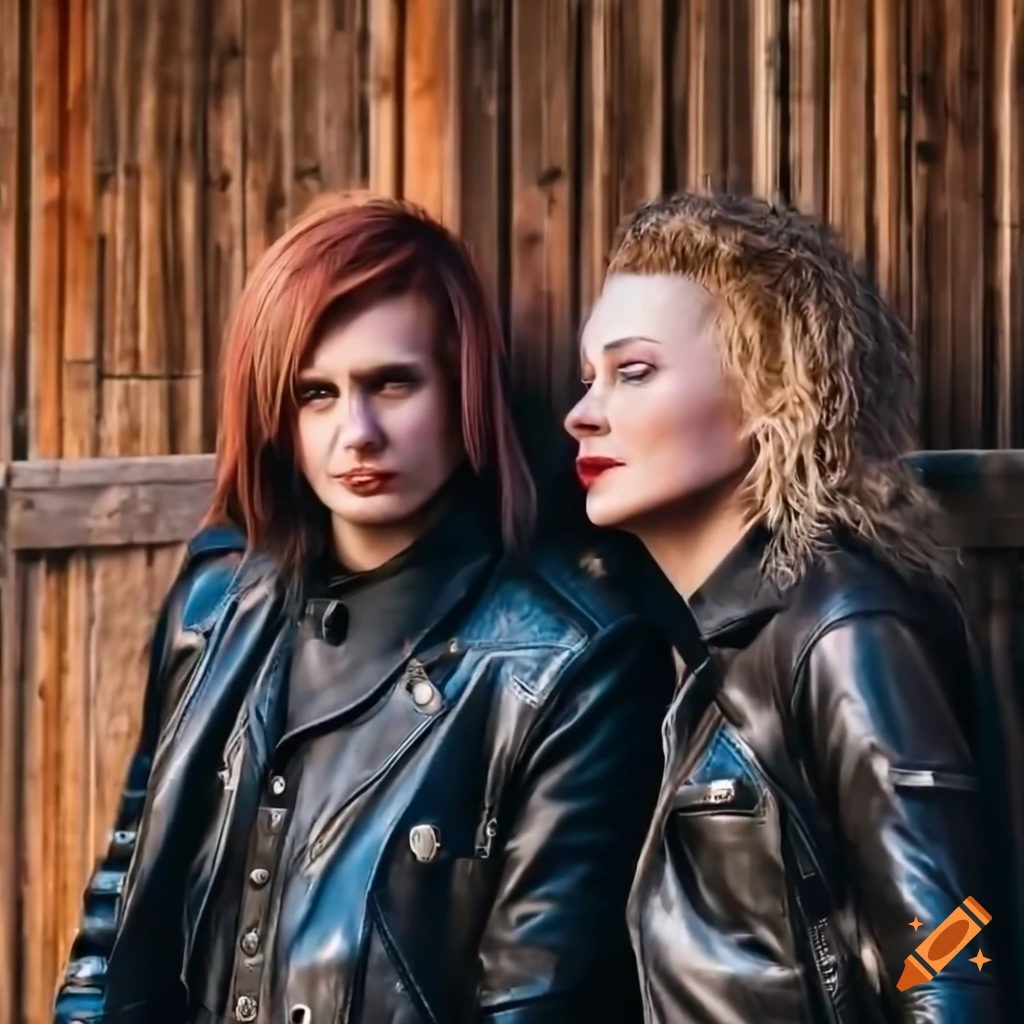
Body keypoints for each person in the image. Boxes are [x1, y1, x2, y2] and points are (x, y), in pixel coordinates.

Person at [54, 193, 675, 1024]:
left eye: (392, 383)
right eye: (316, 393)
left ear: (464, 388)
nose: (357, 431)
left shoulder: (574, 660)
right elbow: (114, 929)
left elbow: (537, 999)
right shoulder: (216, 608)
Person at [564, 192, 1008, 1023]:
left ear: (768, 393)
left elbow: (952, 952)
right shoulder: (713, 638)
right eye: (590, 378)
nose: (582, 414)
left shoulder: (847, 627)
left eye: (633, 372)